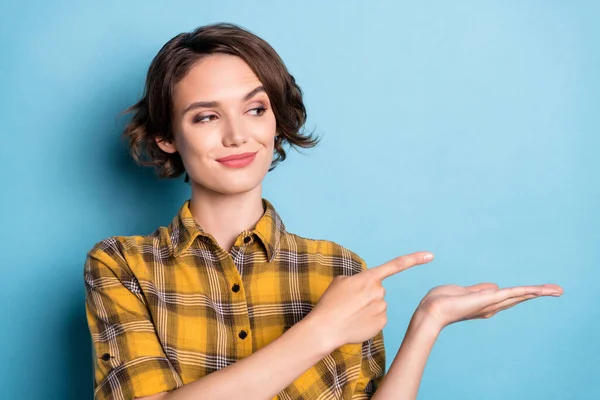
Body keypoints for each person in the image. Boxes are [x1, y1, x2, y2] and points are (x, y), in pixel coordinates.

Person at [83, 22, 563, 400]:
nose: (236, 135)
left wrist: (426, 323)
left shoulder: (339, 270)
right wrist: (323, 330)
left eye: (255, 110)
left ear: (276, 121)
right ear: (167, 136)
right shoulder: (122, 266)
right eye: (206, 116)